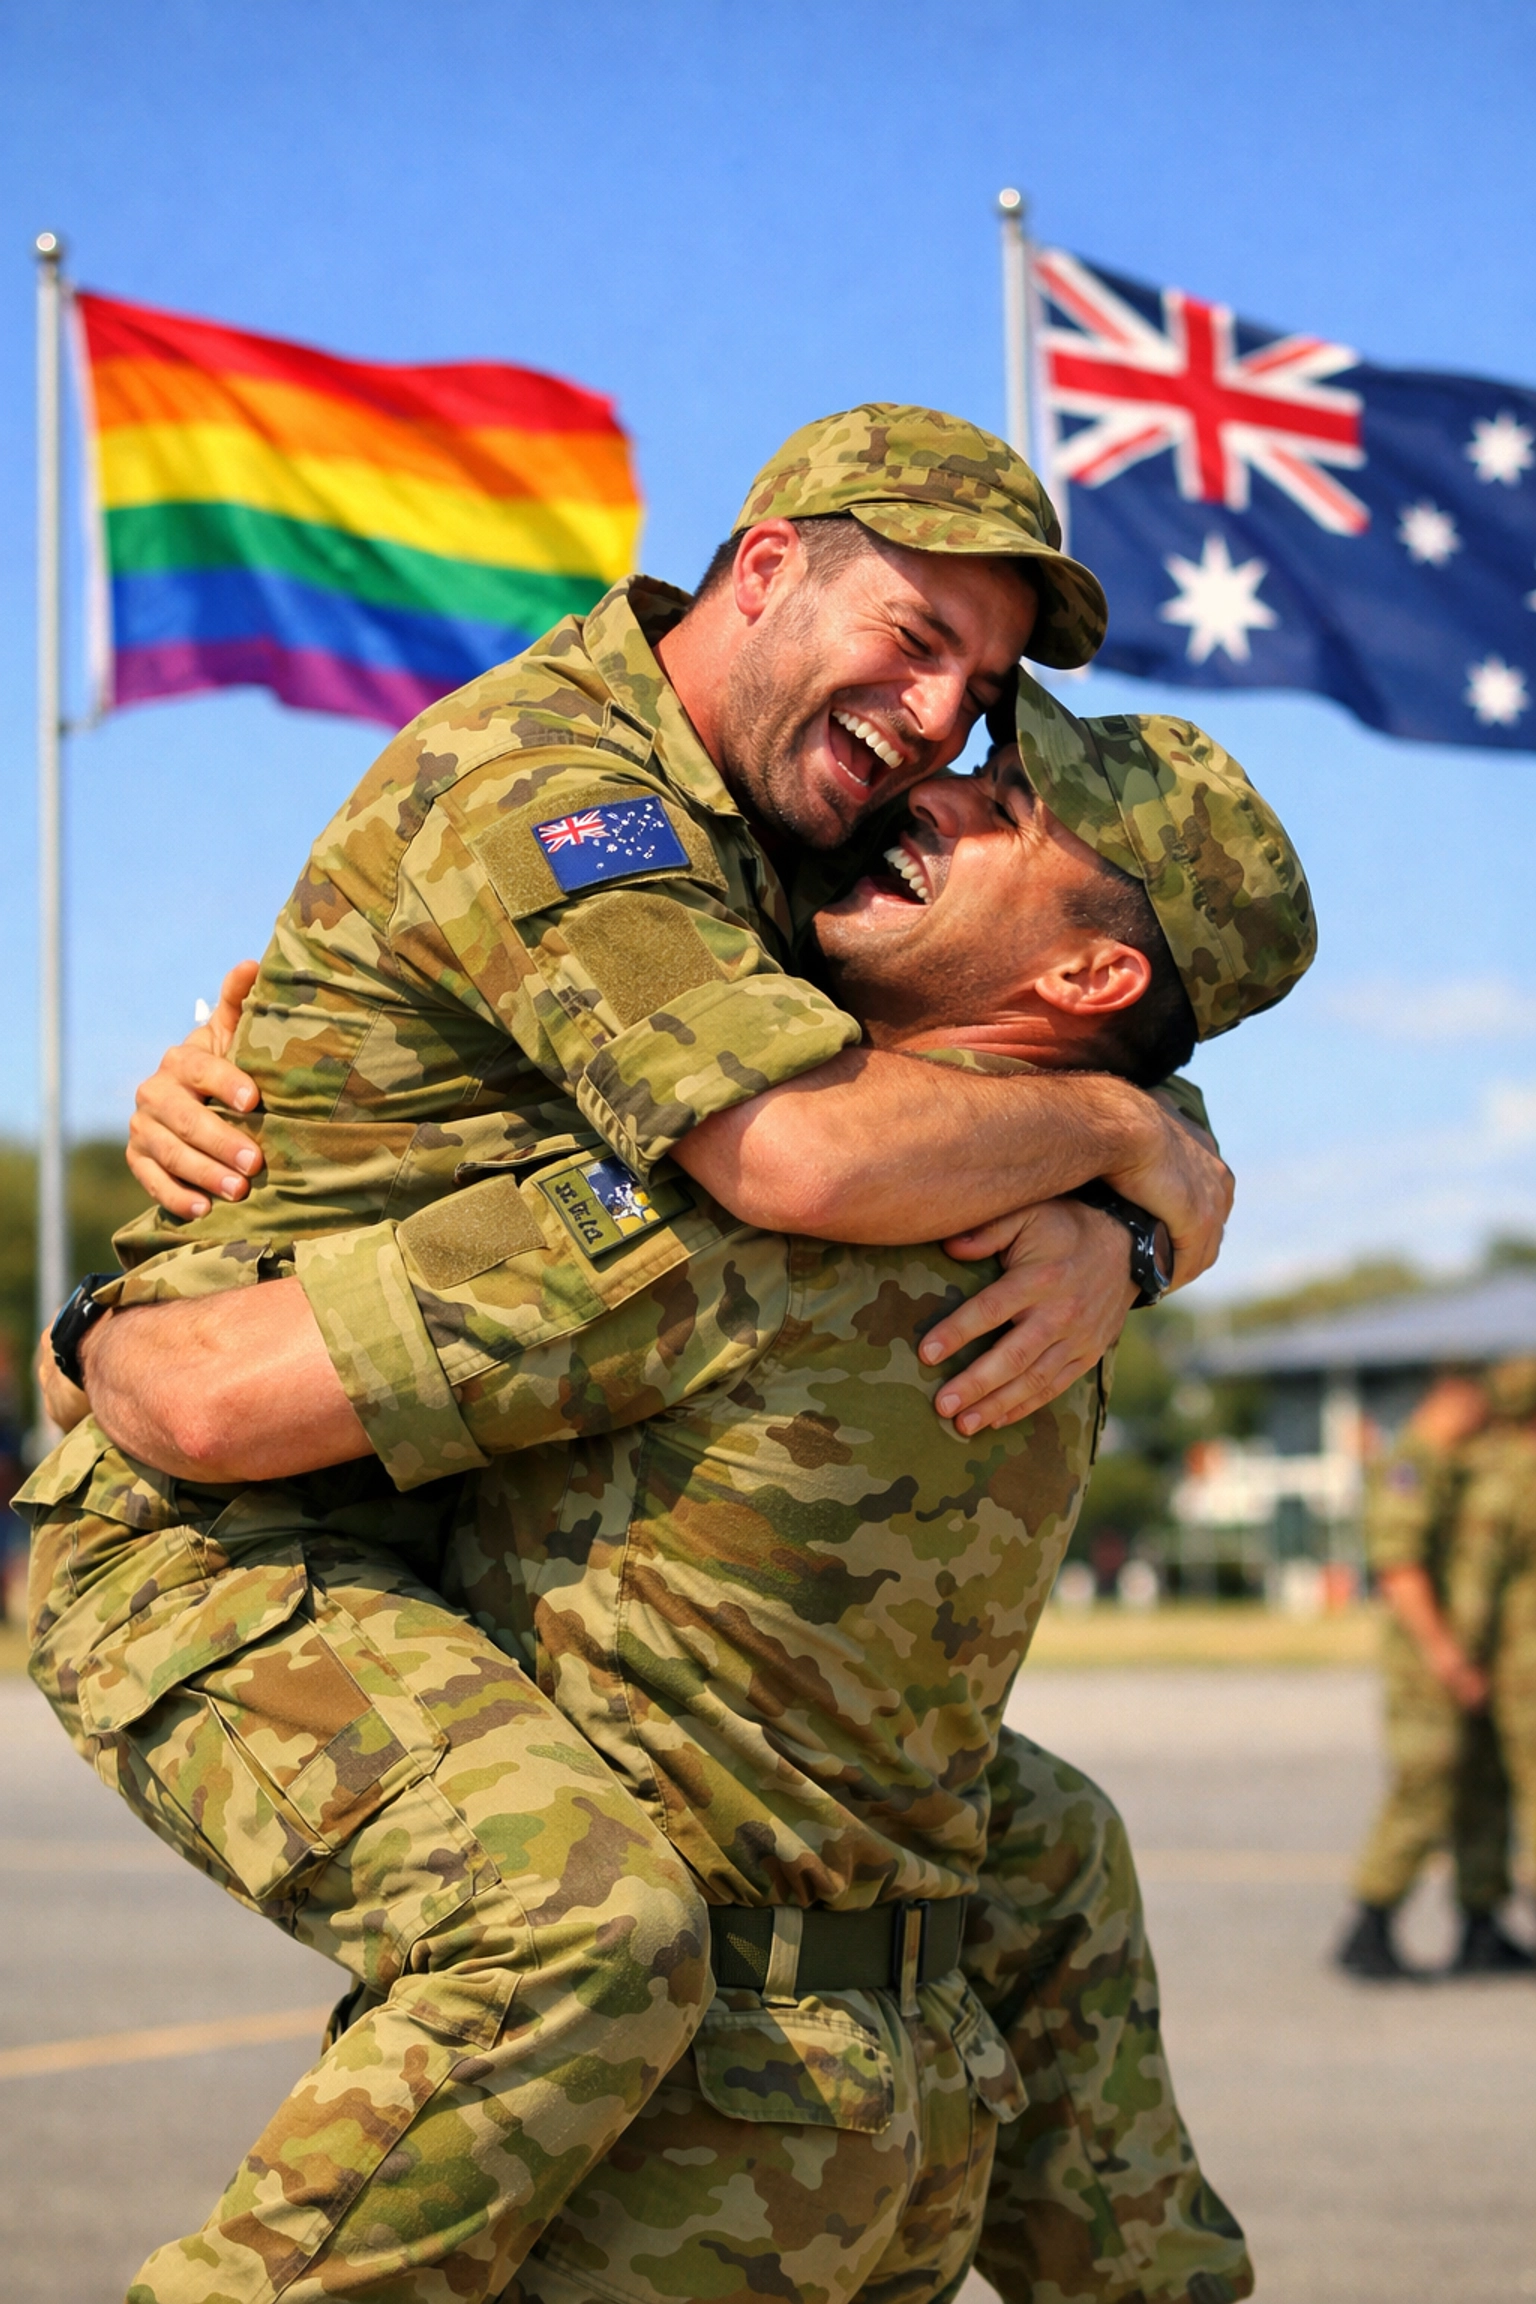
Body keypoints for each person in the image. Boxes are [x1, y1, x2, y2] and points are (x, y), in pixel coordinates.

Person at [32, 684, 1310, 2304]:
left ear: (1087, 975)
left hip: (682, 2154)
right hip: (911, 2109)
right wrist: (1142, 1175)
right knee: (1051, 1819)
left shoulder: (730, 1228)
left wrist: (99, 1319)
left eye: (1007, 810)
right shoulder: (1076, 1219)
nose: (937, 789)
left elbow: (200, 1400)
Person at [1337, 1370, 1533, 1979]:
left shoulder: (1463, 1462)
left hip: (1473, 1653)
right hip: (1432, 1661)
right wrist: (1449, 1658)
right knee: (1426, 1784)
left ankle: (1481, 1922)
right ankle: (1370, 1924)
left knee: (1482, 1788)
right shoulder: (1415, 1463)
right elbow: (1398, 1567)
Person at [1440, 1354, 1536, 1963]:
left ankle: (1481, 1917)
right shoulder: (1511, 1472)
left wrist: (1462, 1659)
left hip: (1517, 1662)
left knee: (1490, 1793)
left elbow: (1475, 1581)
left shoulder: (1496, 1471)